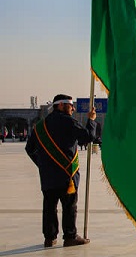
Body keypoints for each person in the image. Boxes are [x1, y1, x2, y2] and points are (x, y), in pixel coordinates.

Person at [25, 94, 98, 248]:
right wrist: (91, 120)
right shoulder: (69, 122)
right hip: (67, 176)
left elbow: (29, 148)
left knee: (49, 207)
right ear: (60, 105)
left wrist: (42, 164)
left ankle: (49, 238)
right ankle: (70, 236)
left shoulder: (40, 126)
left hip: (48, 177)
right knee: (69, 206)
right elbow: (87, 137)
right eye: (70, 105)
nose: (72, 108)